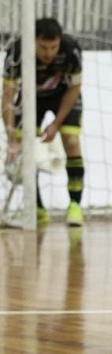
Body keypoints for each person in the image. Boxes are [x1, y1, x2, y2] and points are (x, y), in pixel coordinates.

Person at [2, 17, 85, 226]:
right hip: (31, 97)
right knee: (24, 150)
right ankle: (37, 208)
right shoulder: (17, 52)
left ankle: (75, 206)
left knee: (72, 141)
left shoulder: (71, 49)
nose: (49, 53)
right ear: (33, 42)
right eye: (43, 47)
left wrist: (56, 124)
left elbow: (75, 88)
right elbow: (7, 97)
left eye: (53, 47)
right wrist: (12, 139)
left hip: (63, 96)